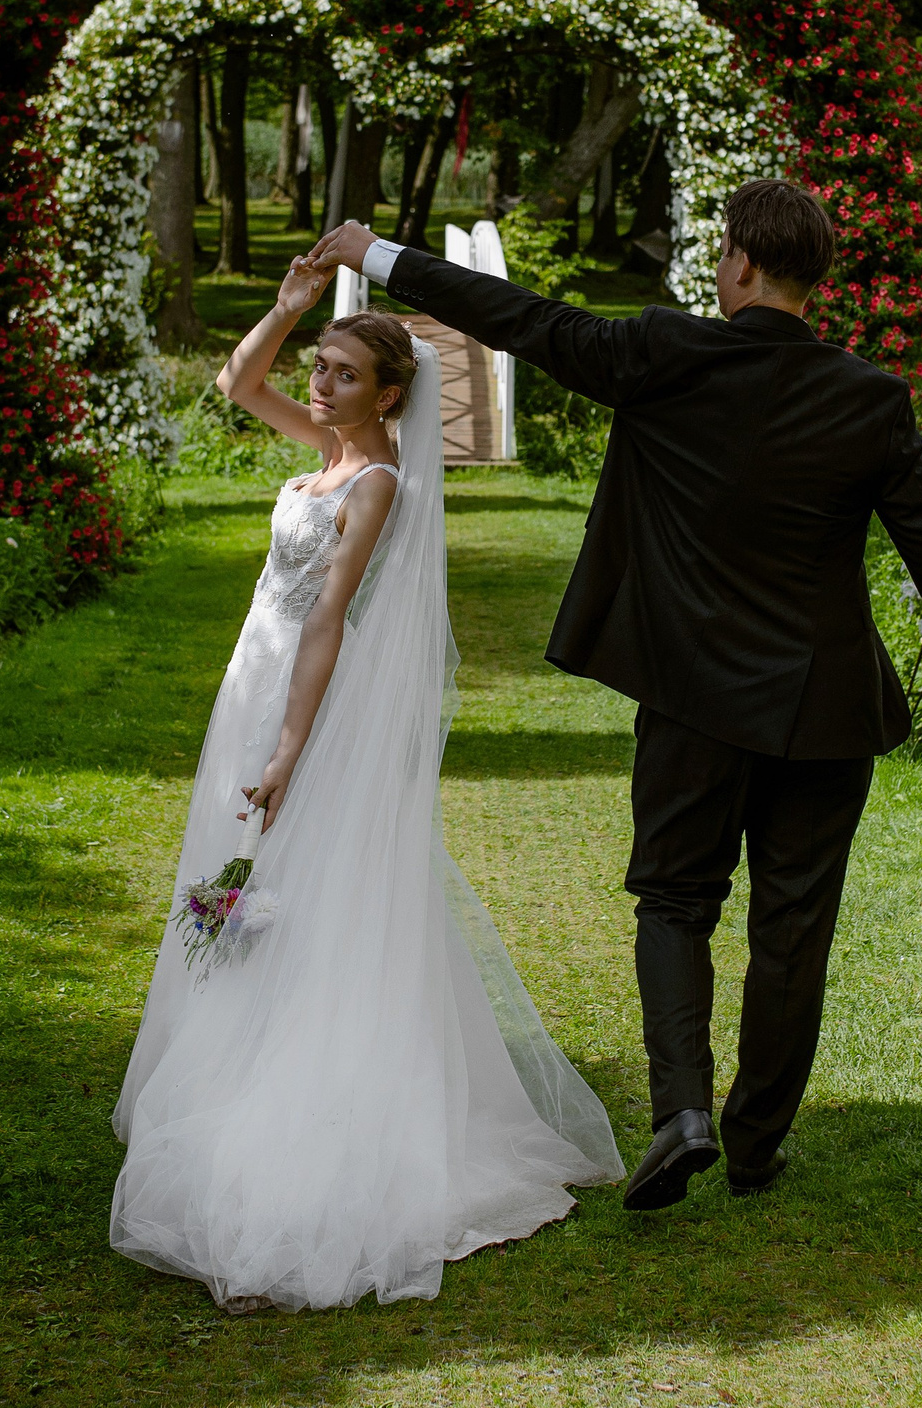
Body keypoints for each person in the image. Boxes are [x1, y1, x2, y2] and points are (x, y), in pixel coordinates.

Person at [313, 178, 922, 1214]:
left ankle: (683, 1110)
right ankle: (756, 1145)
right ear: (811, 280)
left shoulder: (663, 353)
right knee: (794, 929)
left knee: (677, 902)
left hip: (693, 696)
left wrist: (377, 255)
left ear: (741, 265)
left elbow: (520, 318)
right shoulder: (869, 397)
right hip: (824, 707)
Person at [110, 249, 623, 1313]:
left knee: (300, 892)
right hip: (252, 684)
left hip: (303, 704)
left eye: (344, 374)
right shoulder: (328, 452)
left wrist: (290, 748)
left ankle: (295, 1085)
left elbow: (329, 621)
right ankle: (229, 1054)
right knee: (244, 879)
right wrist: (288, 308)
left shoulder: (378, 482)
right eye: (322, 366)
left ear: (390, 397)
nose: (320, 383)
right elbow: (237, 384)